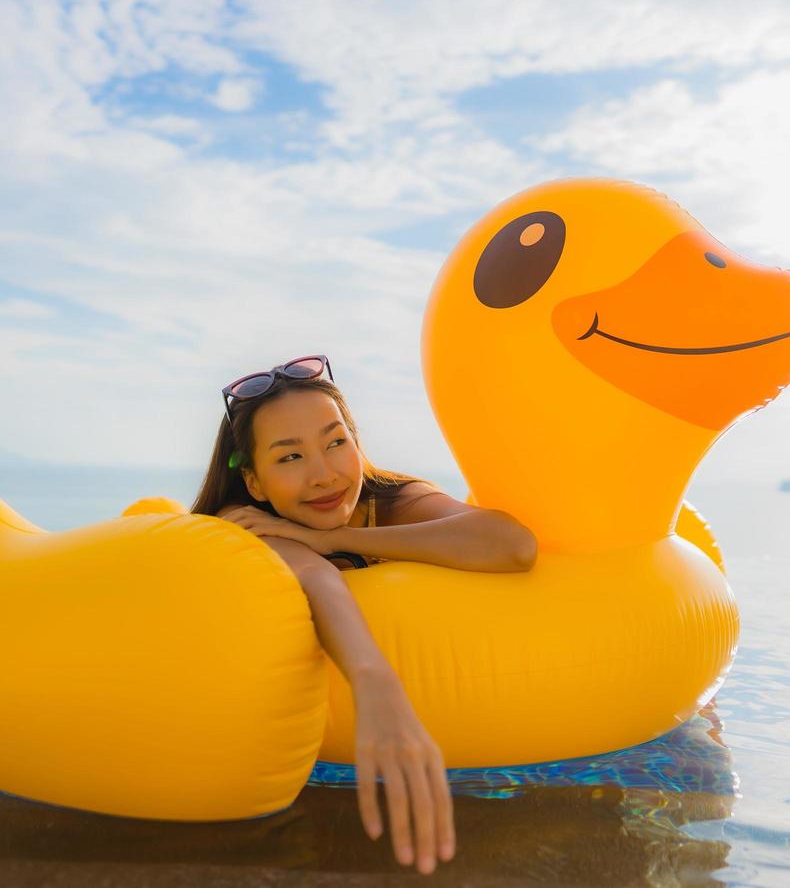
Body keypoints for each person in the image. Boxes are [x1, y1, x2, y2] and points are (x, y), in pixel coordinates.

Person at [188, 354, 538, 875]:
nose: (324, 475)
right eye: (290, 458)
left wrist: (336, 536)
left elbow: (513, 545)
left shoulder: (392, 498)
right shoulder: (243, 523)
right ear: (255, 482)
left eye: (336, 442)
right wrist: (375, 682)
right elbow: (315, 577)